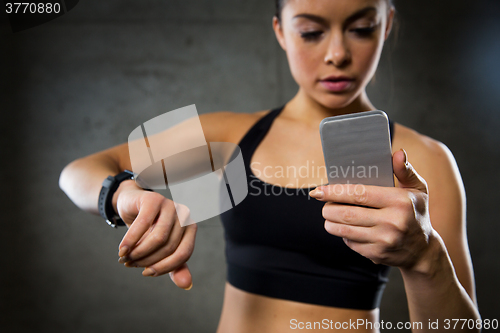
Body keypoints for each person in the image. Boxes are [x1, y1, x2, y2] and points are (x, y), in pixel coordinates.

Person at [59, 0, 481, 332]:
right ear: (281, 30)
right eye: (311, 32)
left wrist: (426, 258)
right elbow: (80, 171)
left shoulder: (424, 160)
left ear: (386, 24)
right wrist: (121, 193)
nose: (337, 53)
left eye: (361, 28)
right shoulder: (228, 135)